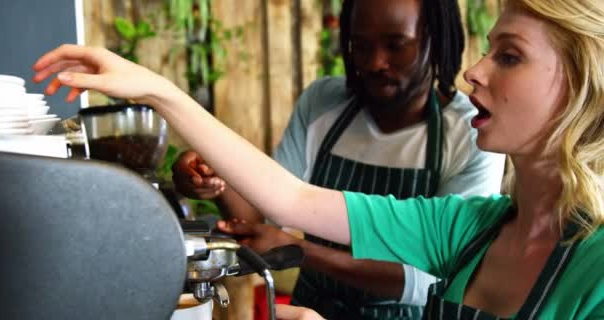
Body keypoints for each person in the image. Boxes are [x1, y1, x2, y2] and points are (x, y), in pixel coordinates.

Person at [33, 0, 604, 318]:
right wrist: (159, 91)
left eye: (509, 56)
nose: (475, 72)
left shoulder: (594, 268)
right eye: (487, 52)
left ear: (581, 84)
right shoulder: (472, 230)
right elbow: (291, 199)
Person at [172, 0, 505, 318]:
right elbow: (265, 215)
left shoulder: (470, 133)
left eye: (396, 45)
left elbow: (434, 279)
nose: (375, 62)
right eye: (361, 45)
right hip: (307, 310)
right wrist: (217, 179)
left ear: (434, 39)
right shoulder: (323, 104)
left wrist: (301, 252)